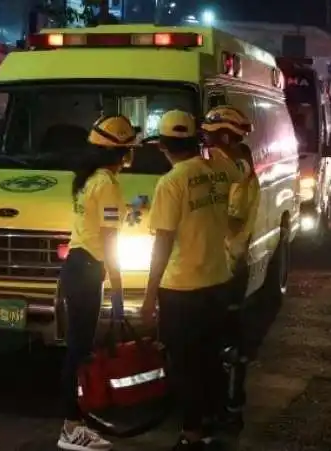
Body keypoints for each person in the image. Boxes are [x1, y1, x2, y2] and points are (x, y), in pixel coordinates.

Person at [142, 109, 242, 450]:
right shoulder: (217, 168)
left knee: (184, 364)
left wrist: (149, 295)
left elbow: (163, 242)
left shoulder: (171, 182)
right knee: (210, 357)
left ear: (162, 146)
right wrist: (215, 142)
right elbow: (239, 168)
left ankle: (192, 433)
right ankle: (213, 422)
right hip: (217, 280)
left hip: (182, 288)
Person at [56, 115, 137, 451]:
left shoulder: (88, 179)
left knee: (78, 347)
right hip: (88, 268)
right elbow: (108, 239)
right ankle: (71, 428)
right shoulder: (107, 184)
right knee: (78, 350)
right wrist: (117, 283)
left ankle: (76, 422)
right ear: (121, 153)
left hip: (77, 265)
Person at [201, 105, 260, 429]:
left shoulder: (236, 172)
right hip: (226, 264)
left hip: (227, 267)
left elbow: (234, 217)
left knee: (223, 343)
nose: (205, 143)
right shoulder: (234, 167)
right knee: (226, 338)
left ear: (225, 136)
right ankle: (228, 405)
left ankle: (225, 408)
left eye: (209, 137)